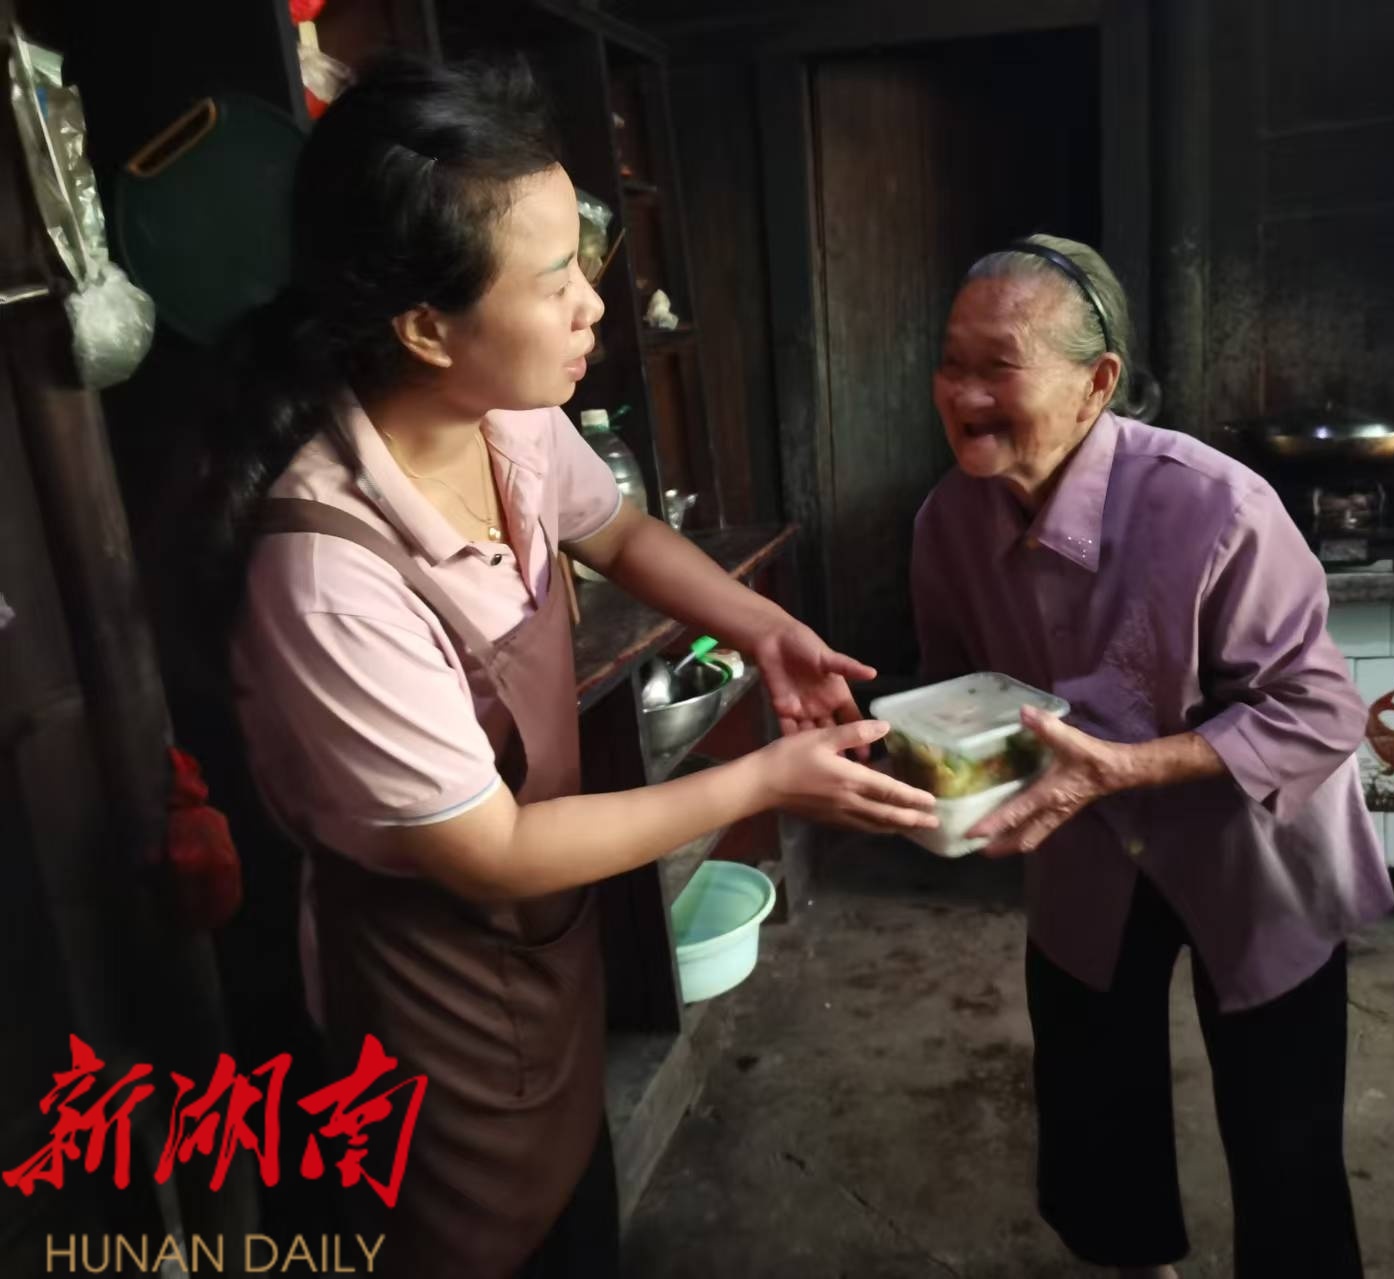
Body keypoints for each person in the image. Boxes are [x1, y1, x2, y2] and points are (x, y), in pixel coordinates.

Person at [197, 56, 937, 1279]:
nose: (593, 304)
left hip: (541, 943)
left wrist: (759, 626)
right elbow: (485, 849)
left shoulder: (507, 415)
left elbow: (619, 532)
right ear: (425, 325)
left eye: (583, 264)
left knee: (575, 1212)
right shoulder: (327, 571)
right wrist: (761, 782)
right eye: (553, 283)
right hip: (427, 988)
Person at [909, 234, 1394, 1278]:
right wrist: (928, 773)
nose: (962, 394)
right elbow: (962, 691)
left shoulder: (1215, 506)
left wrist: (1120, 767)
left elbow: (1321, 714)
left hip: (1250, 842)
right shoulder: (946, 522)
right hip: (1084, 850)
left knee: (1285, 1138)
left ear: (1097, 384)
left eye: (997, 366)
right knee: (1093, 1110)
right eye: (950, 363)